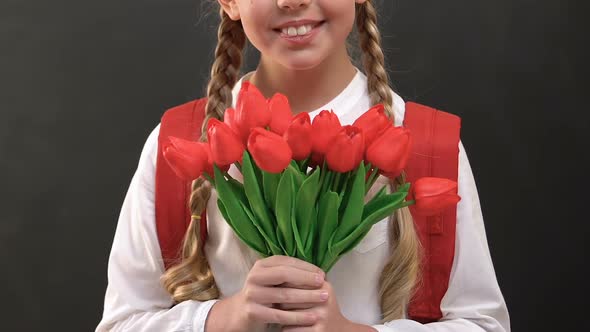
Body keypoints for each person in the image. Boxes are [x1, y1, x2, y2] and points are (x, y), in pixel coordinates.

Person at [96, 0, 510, 331]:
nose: (292, 1)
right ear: (229, 2)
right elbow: (122, 322)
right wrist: (227, 318)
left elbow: (482, 323)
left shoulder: (427, 146)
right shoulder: (180, 142)